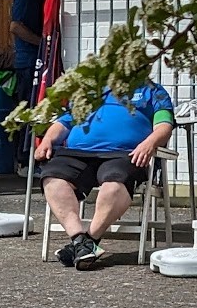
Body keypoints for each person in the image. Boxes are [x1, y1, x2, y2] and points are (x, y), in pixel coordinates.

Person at [35, 81, 175, 270]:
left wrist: (149, 143)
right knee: (53, 178)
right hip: (77, 153)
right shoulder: (90, 89)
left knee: (115, 184)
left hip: (123, 154)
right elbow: (64, 121)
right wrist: (48, 140)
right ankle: (80, 240)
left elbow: (164, 125)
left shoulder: (153, 91)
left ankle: (88, 241)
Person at [10, 0, 55, 171]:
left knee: (38, 107)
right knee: (28, 107)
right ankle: (24, 159)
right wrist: (42, 44)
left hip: (36, 60)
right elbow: (15, 26)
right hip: (29, 61)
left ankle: (32, 156)